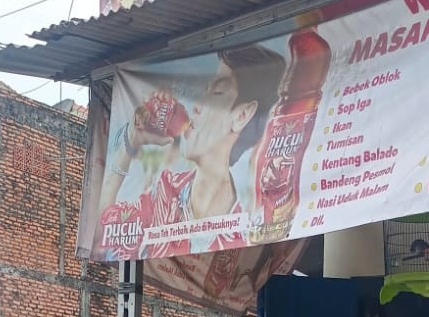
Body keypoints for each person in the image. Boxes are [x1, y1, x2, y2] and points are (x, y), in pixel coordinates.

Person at [94, 44, 287, 259]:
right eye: (204, 92)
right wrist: (132, 139)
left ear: (242, 116)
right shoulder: (166, 192)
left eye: (216, 93)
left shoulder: (250, 228)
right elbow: (103, 238)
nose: (196, 106)